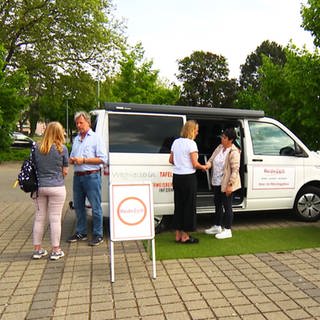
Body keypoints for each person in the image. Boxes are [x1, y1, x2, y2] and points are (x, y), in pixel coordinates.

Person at [68, 111, 108, 246]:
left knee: (96, 207)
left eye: (81, 123)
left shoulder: (96, 138)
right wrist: (72, 160)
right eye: (77, 123)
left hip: (91, 176)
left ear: (88, 123)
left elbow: (103, 159)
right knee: (78, 206)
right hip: (78, 176)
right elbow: (73, 156)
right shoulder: (76, 139)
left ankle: (98, 234)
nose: (79, 126)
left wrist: (84, 160)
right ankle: (81, 232)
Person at [32, 122, 69, 260]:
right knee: (55, 219)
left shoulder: (36, 147)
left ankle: (37, 250)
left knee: (39, 218)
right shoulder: (62, 149)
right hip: (57, 187)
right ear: (59, 133)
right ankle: (55, 250)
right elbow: (65, 171)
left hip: (40, 187)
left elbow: (34, 166)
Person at [169, 120, 206, 244]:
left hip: (177, 177)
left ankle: (178, 235)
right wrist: (205, 167)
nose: (197, 132)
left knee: (178, 205)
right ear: (192, 130)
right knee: (189, 206)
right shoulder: (191, 144)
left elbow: (171, 160)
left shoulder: (176, 142)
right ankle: (185, 236)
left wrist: (180, 164)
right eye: (196, 130)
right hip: (188, 178)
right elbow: (195, 164)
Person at [204, 128, 241, 239]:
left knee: (227, 205)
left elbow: (235, 170)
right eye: (222, 137)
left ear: (231, 140)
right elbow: (211, 160)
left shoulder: (234, 152)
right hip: (216, 181)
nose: (222, 139)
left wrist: (230, 185)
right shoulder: (220, 147)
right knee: (217, 203)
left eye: (224, 137)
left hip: (226, 183)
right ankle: (217, 226)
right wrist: (206, 166)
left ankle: (228, 230)